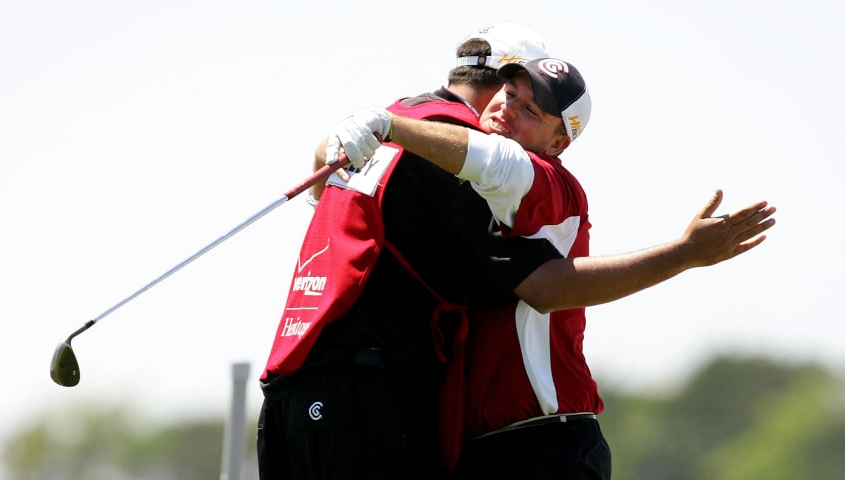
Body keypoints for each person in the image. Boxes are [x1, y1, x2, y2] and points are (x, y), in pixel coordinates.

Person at [324, 57, 776, 479]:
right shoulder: (473, 195)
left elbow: (546, 285)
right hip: (488, 445)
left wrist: (683, 254)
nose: (507, 108)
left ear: (558, 143)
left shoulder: (543, 179)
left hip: (545, 443)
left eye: (531, 111)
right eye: (509, 93)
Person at [257, 22, 559, 480]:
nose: (517, 113)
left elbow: (321, 183)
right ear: (502, 89)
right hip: (364, 396)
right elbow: (523, 285)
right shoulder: (452, 151)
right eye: (522, 98)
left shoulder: (392, 117)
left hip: (288, 392)